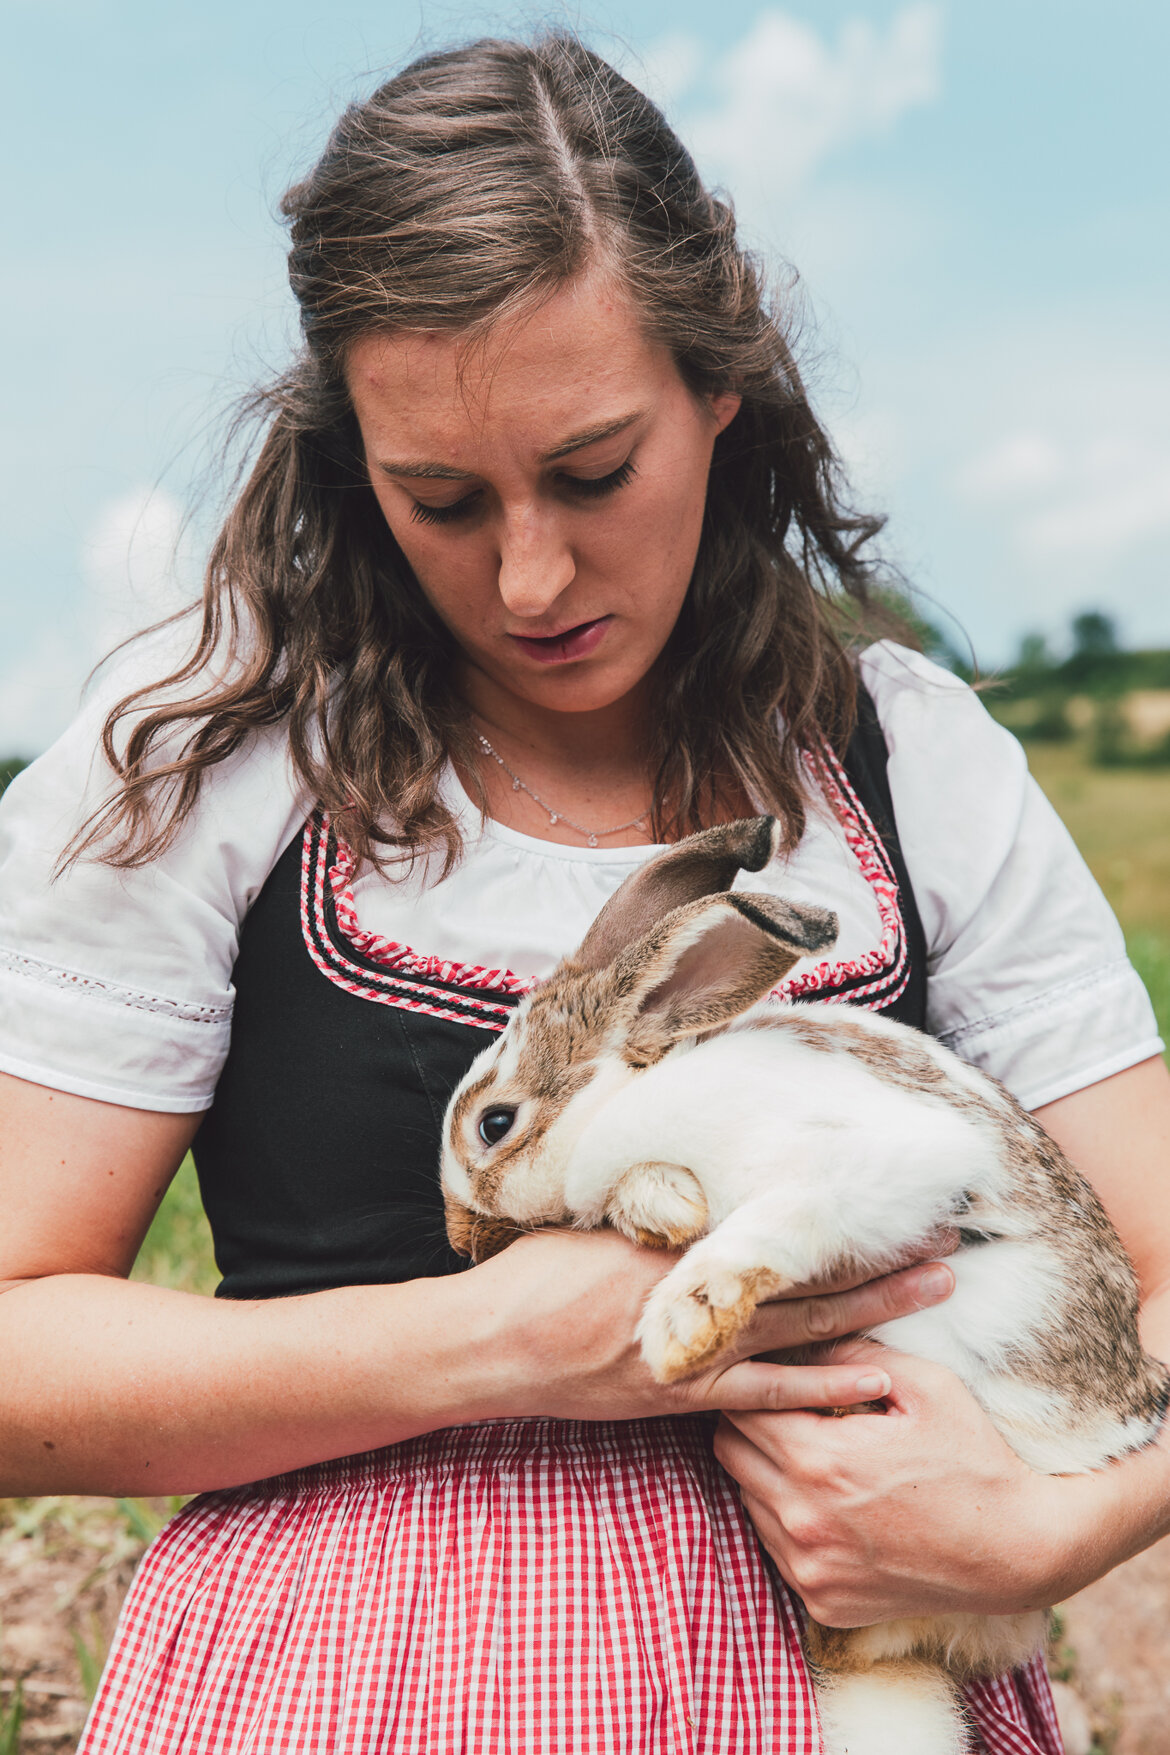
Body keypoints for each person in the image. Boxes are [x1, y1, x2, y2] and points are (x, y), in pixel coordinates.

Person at [1, 33, 1167, 1755]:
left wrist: (1051, 1533)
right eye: (441, 500)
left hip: (859, 1684)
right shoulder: (210, 761)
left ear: (716, 391)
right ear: (353, 457)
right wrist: (494, 1342)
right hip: (353, 1690)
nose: (530, 576)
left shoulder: (909, 764)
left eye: (594, 470)